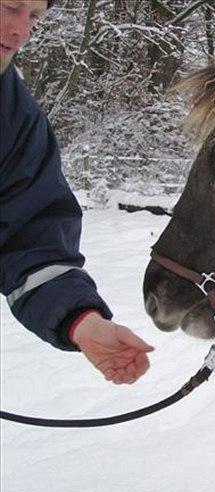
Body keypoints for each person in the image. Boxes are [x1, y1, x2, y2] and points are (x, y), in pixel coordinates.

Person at [1, 0, 153, 384]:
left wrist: (82, 322)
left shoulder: (18, 121)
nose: (20, 31)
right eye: (9, 7)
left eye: (33, 16)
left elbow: (30, 242)